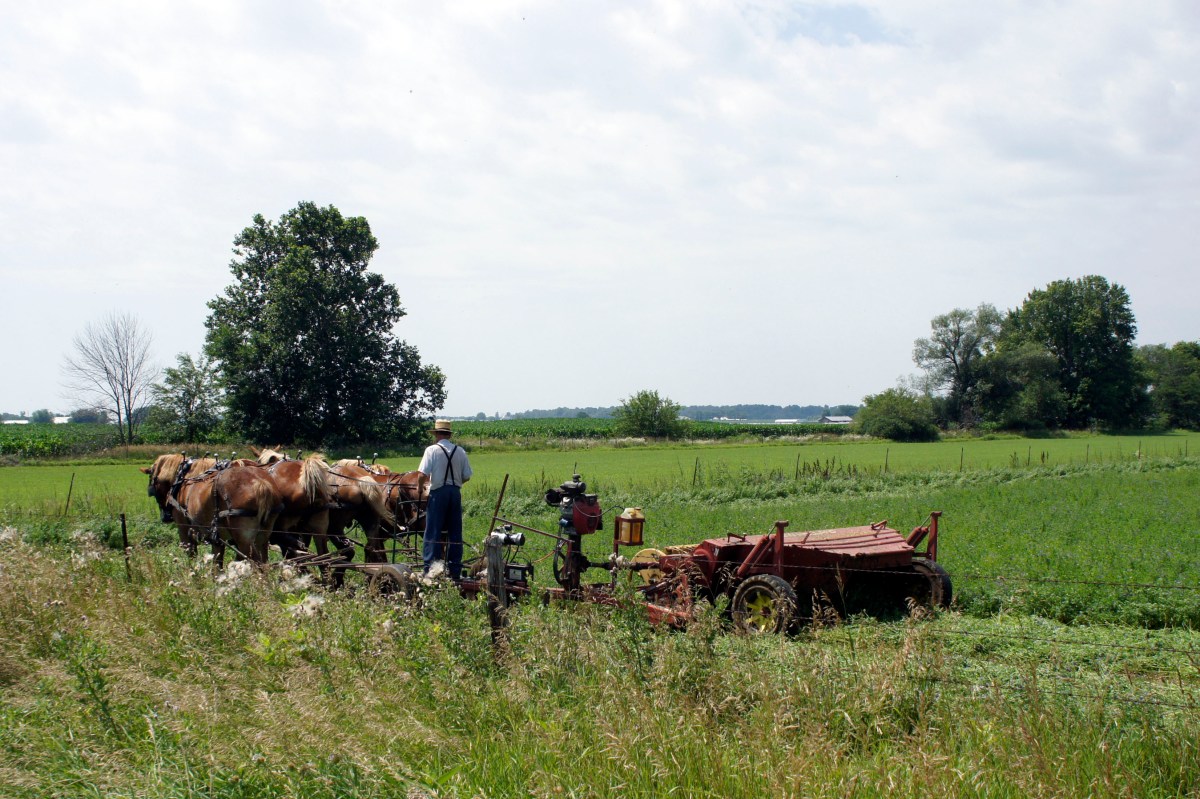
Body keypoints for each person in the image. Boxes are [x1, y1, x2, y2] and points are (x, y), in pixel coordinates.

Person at [417, 419, 472, 579]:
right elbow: (467, 476)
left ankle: (430, 568)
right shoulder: (460, 451)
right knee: (455, 531)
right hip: (455, 493)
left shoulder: (432, 450)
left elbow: (422, 474)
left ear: (436, 435)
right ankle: (454, 568)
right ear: (449, 435)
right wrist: (455, 484)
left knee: (433, 530)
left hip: (438, 493)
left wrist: (420, 487)